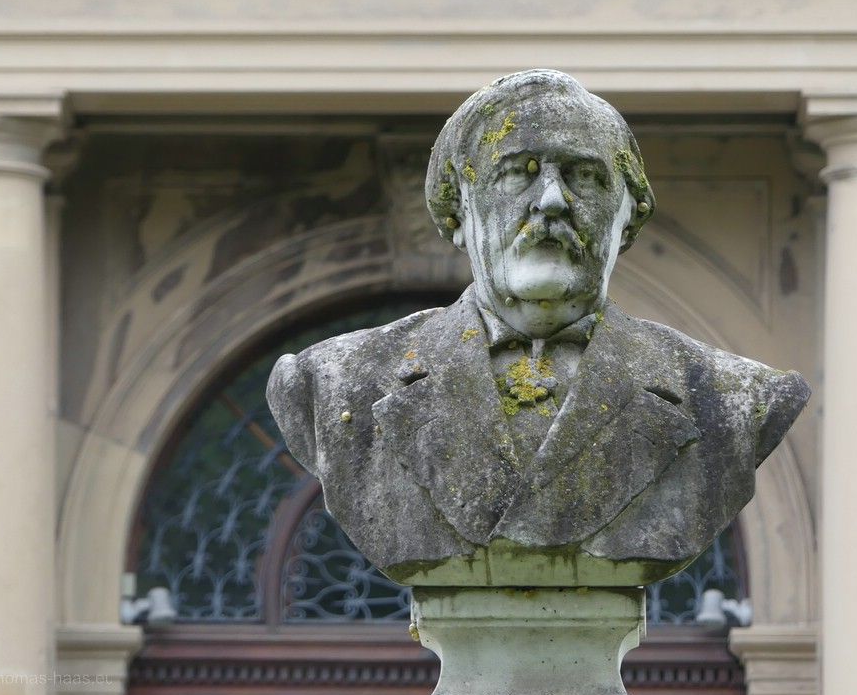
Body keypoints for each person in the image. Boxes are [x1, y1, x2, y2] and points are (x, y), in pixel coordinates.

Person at [267, 69, 809, 586]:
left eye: (585, 176)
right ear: (458, 211)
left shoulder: (731, 400)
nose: (551, 200)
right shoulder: (334, 384)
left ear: (629, 215)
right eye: (515, 172)